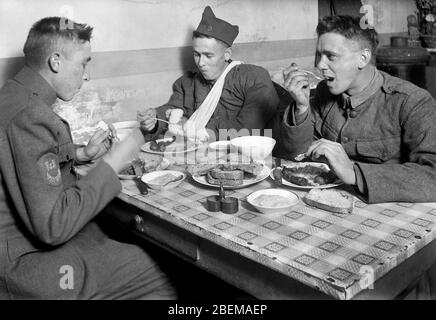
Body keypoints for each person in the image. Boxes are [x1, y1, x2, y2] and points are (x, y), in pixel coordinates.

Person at [0, 17, 177, 299]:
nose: (87, 75)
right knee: (148, 268)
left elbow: (23, 158)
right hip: (24, 266)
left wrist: (80, 154)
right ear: (56, 62)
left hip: (17, 247)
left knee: (118, 239)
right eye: (84, 63)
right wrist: (115, 160)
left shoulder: (13, 94)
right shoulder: (30, 115)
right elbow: (53, 227)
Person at [272, 15, 436, 204]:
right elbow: (298, 156)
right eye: (318, 55)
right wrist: (301, 106)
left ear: (363, 58)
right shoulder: (324, 92)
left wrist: (354, 173)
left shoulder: (412, 102)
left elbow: (432, 174)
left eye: (331, 56)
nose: (319, 65)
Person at [138, 6, 279, 142]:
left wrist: (203, 130)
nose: (201, 63)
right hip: (199, 156)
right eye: (197, 54)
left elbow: (248, 127)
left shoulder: (252, 78)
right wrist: (154, 119)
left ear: (227, 54)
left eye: (208, 55)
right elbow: (172, 110)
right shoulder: (187, 83)